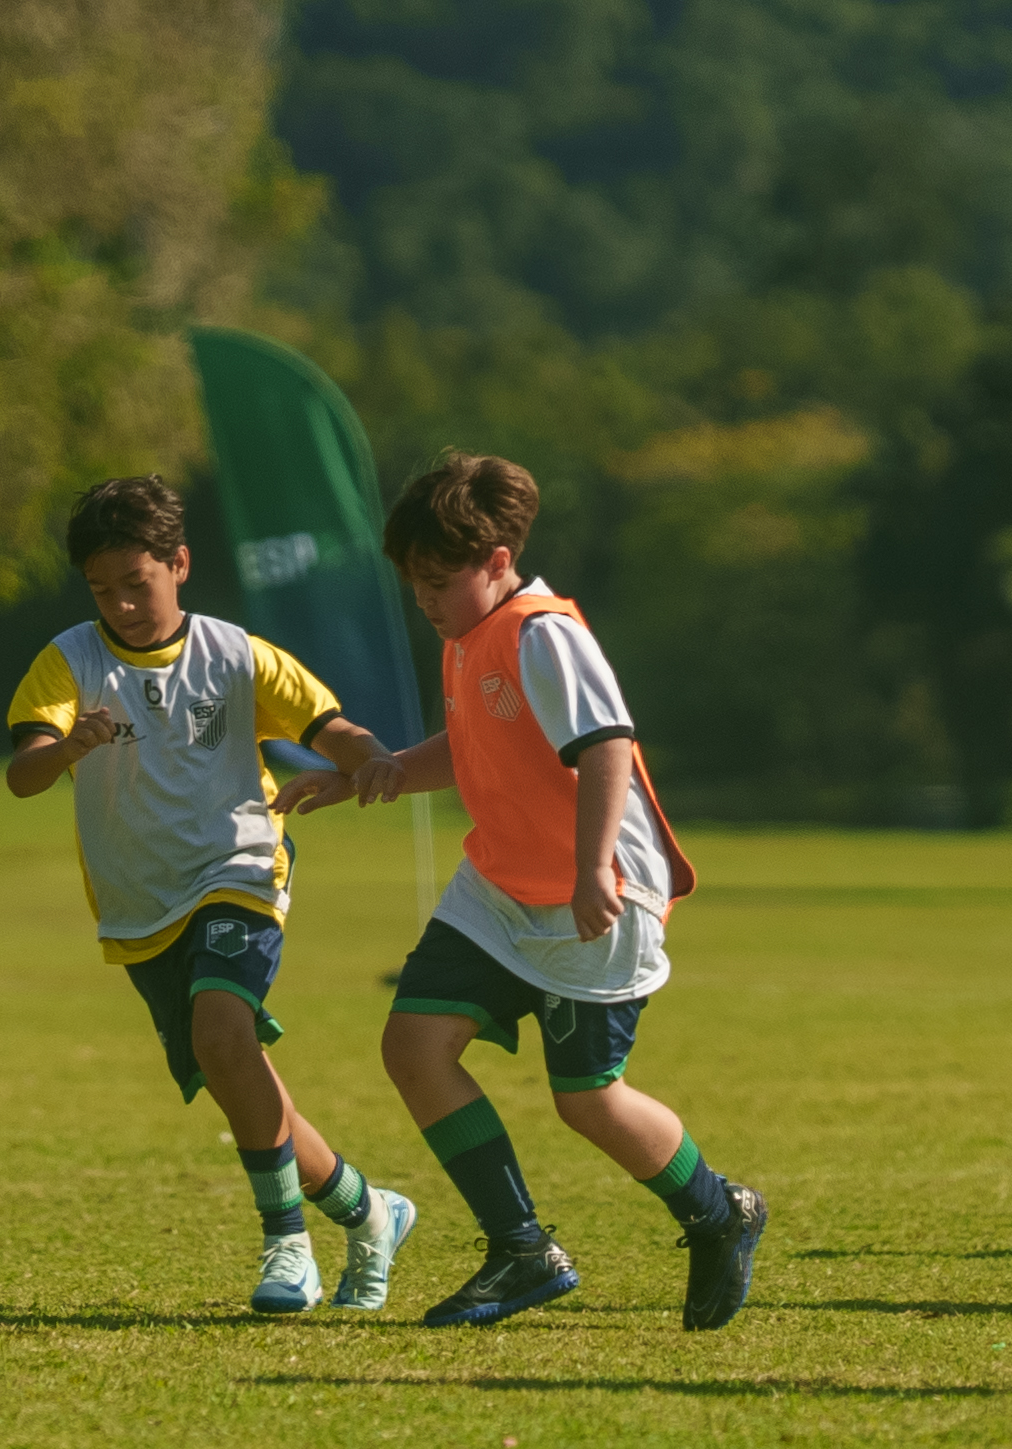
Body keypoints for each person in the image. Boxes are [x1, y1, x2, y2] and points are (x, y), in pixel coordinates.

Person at [285, 452, 765, 1332]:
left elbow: (607, 748)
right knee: (414, 1046)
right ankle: (521, 1249)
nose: (425, 600)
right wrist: (369, 774)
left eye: (439, 581)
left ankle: (717, 1210)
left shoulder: (543, 633)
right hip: (502, 885)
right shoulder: (471, 638)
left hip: (594, 893)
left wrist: (591, 873)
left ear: (499, 560)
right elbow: (476, 748)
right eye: (414, 584)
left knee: (587, 1098)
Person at [4, 475, 418, 1316]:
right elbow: (23, 773)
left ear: (179, 564)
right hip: (139, 904)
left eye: (137, 582)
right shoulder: (70, 660)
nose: (120, 604)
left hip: (240, 867)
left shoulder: (234, 654)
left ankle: (286, 1247)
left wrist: (371, 757)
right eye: (102, 589)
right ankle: (370, 1212)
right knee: (236, 1071)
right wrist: (68, 748)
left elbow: (324, 725)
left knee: (223, 1032)